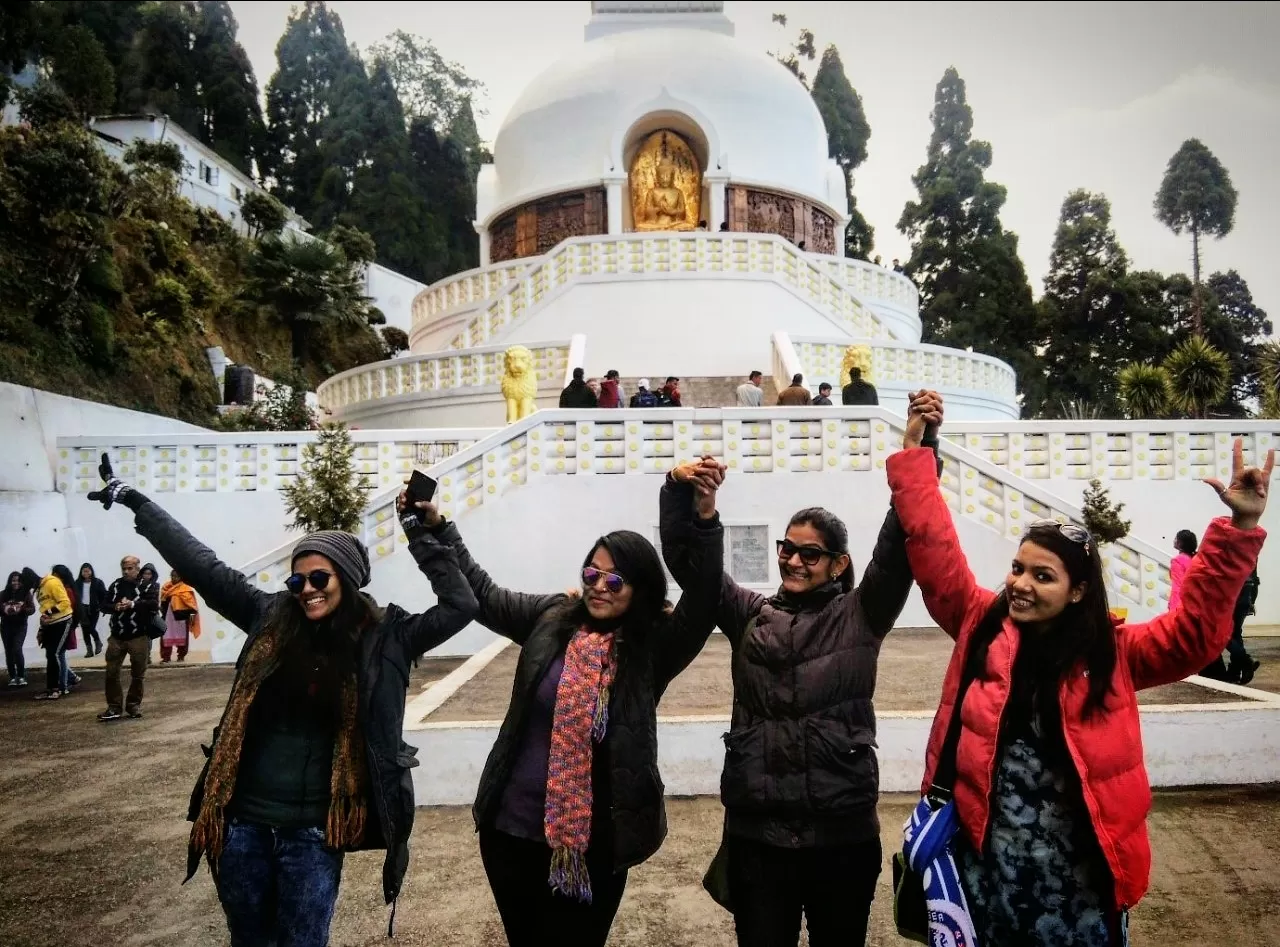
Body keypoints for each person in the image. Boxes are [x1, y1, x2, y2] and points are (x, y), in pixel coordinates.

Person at [887, 390, 1269, 945]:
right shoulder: (980, 624)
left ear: (1078, 591)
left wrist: (1238, 530)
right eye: (1018, 568)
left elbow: (1193, 635)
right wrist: (915, 455)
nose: (1020, 583)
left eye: (1043, 576)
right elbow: (933, 545)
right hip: (986, 877)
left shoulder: (1112, 654)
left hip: (1081, 888)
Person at [84, 451, 478, 944]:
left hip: (314, 833)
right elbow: (199, 564)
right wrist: (135, 500)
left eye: (319, 578)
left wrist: (421, 531)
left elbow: (462, 605)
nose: (306, 590)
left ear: (348, 579)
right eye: (297, 579)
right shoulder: (268, 615)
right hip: (242, 823)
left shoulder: (386, 637)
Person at [398, 469, 724, 947]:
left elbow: (705, 596)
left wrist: (685, 501)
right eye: (591, 574)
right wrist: (436, 526)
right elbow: (484, 595)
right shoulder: (551, 618)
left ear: (643, 589)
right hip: (510, 833)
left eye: (615, 580)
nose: (599, 586)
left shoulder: (653, 648)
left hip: (593, 845)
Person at [661, 402, 939, 947]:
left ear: (839, 564)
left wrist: (918, 451)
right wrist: (686, 500)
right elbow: (693, 569)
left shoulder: (863, 613)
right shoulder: (749, 613)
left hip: (840, 838)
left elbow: (902, 541)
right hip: (757, 838)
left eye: (810, 554)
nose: (792, 561)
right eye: (787, 548)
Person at [98, 554, 159, 721]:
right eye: (124, 568)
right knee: (111, 672)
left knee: (138, 674)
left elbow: (154, 604)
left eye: (130, 568)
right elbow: (103, 605)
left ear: (138, 569)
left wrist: (133, 604)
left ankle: (133, 705)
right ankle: (114, 707)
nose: (126, 572)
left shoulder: (148, 586)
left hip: (139, 635)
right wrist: (115, 606)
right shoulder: (116, 585)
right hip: (117, 636)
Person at [34, 564, 76, 701]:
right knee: (54, 655)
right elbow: (45, 607)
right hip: (51, 623)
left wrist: (48, 613)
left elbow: (66, 604)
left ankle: (60, 687)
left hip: (63, 622)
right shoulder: (42, 588)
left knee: (57, 654)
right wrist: (42, 625)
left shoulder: (56, 585)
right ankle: (59, 685)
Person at [160, 568, 201, 662]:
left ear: (181, 577)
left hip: (181, 618)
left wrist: (191, 621)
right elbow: (163, 603)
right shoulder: (166, 588)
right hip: (168, 618)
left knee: (182, 638)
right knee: (166, 637)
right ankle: (166, 657)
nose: (174, 578)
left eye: (177, 576)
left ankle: (181, 656)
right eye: (173, 576)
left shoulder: (185, 589)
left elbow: (192, 607)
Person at [2, 570, 34, 687]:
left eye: (18, 581)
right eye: (13, 580)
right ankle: (12, 677)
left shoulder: (26, 594)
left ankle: (21, 676)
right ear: (10, 582)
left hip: (20, 626)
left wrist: (22, 608)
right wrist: (5, 609)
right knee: (9, 652)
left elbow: (32, 610)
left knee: (17, 648)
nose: (16, 583)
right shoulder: (3, 594)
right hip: (6, 626)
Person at [75, 562, 108, 657]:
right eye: (84, 571)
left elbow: (104, 595)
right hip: (82, 609)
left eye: (87, 571)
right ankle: (89, 650)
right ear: (81, 572)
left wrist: (103, 607)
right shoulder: (77, 583)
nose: (86, 573)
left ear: (91, 571)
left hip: (94, 608)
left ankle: (98, 642)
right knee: (85, 631)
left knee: (91, 628)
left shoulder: (97, 582)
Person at [1168, 529, 1197, 612]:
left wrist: (1174, 608)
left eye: (1176, 538)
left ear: (1180, 543)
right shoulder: (1193, 559)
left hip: (1178, 605)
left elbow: (1177, 586)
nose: (1174, 540)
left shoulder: (1178, 560)